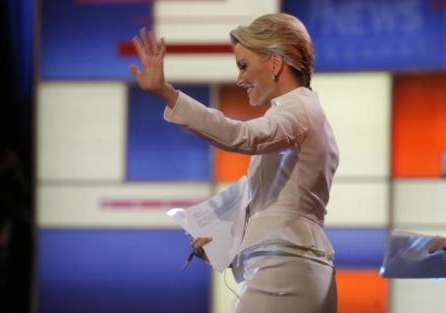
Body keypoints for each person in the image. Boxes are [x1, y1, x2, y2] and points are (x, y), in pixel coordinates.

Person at [130, 13, 339, 313]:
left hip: (285, 266)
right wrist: (223, 243)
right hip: (299, 264)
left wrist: (167, 93)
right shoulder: (305, 112)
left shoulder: (299, 110)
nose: (240, 78)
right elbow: (279, 202)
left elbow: (240, 136)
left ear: (276, 63)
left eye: (244, 66)